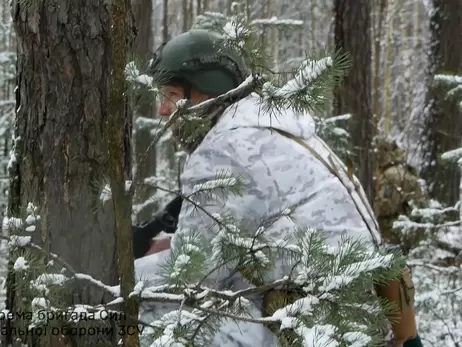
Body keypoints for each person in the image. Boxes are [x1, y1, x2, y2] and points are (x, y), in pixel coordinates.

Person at [135, 28, 421, 347]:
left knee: (146, 321)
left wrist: (114, 276)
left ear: (207, 92)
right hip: (358, 320)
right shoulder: (275, 128)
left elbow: (191, 278)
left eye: (172, 96)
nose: (162, 110)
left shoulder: (225, 149)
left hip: (315, 330)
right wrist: (172, 243)